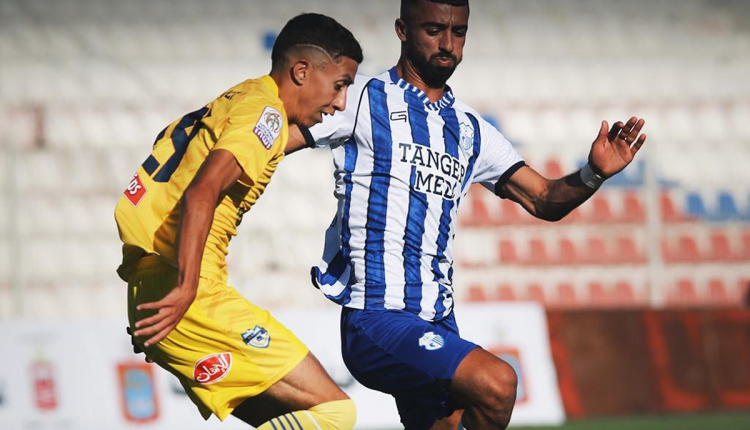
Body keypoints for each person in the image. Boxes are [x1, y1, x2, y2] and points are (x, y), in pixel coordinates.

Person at [284, 0, 647, 429]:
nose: (448, 44)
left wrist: (593, 174)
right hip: (376, 316)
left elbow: (544, 199)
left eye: (458, 33)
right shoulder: (360, 97)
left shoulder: (471, 128)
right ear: (402, 29)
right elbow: (276, 139)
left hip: (439, 319)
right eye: (434, 30)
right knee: (498, 383)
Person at [115, 13, 362, 430]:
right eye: (339, 85)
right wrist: (186, 288)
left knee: (292, 419)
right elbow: (201, 192)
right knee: (336, 413)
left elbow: (274, 144)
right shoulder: (264, 113)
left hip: (152, 286)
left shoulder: (241, 99)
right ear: (301, 71)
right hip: (190, 292)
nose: (339, 101)